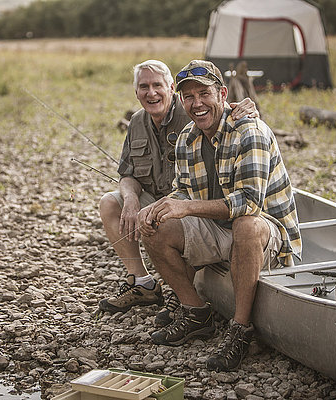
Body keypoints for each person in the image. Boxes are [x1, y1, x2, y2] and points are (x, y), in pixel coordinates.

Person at [137, 60, 301, 372]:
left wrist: (187, 208)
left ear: (222, 93)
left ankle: (240, 330)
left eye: (204, 94)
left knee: (246, 225)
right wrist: (157, 207)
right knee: (156, 228)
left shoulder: (250, 132)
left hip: (266, 236)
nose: (197, 103)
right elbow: (183, 190)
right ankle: (196, 312)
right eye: (188, 97)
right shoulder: (187, 137)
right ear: (180, 100)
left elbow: (250, 202)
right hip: (218, 229)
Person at [98, 60, 259, 327]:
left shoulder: (194, 114)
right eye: (144, 87)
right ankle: (143, 283)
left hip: (199, 204)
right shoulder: (137, 122)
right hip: (172, 198)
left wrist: (247, 109)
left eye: (157, 86)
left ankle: (184, 293)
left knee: (180, 221)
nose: (151, 93)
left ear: (171, 89)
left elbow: (229, 118)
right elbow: (127, 174)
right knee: (110, 203)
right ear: (136, 92)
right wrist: (130, 198)